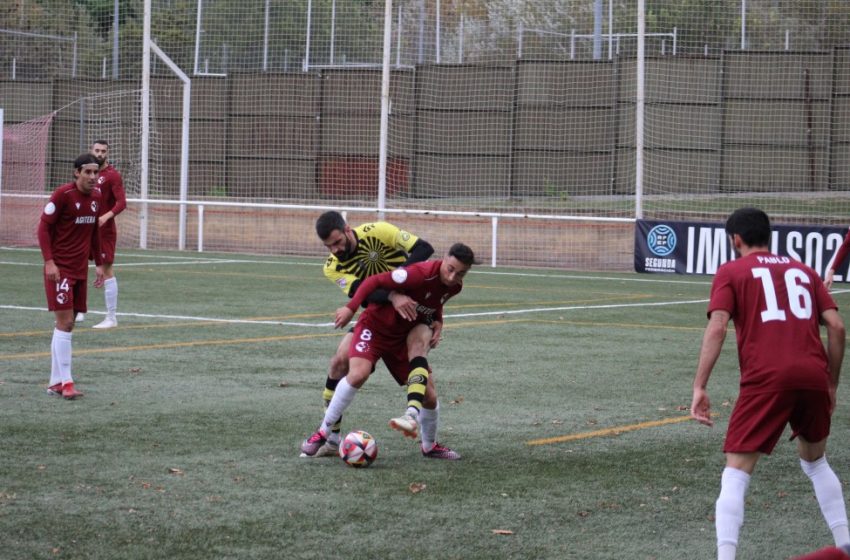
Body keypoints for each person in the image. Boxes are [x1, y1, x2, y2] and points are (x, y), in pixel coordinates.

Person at [690, 208, 849, 560]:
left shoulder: (731, 271)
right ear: (769, 236)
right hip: (812, 377)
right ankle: (845, 546)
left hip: (767, 379)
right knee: (816, 462)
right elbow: (837, 328)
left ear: (736, 240)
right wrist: (832, 384)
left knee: (736, 472)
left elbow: (717, 327)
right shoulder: (804, 271)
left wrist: (700, 385)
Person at [301, 242, 476, 461]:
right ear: (444, 259)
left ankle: (429, 446)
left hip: (401, 338)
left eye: (460, 273)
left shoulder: (454, 286)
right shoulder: (418, 274)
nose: (452, 277)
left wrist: (438, 320)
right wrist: (351, 308)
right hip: (374, 328)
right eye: (450, 269)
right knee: (358, 374)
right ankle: (323, 433)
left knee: (429, 397)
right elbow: (374, 281)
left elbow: (434, 301)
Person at [307, 210, 435, 457]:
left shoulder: (379, 231)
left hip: (410, 315)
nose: (334, 250)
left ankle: (430, 444)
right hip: (376, 317)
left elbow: (424, 248)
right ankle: (332, 439)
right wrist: (392, 294)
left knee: (428, 394)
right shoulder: (332, 266)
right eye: (328, 246)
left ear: (347, 229)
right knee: (338, 363)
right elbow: (363, 296)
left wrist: (397, 281)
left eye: (337, 242)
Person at [37, 153, 105, 400]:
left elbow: (94, 232)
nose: (93, 177)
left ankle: (55, 382)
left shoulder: (97, 198)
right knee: (65, 323)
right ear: (76, 173)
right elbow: (43, 227)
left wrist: (99, 263)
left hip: (80, 271)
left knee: (66, 325)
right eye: (87, 172)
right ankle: (66, 382)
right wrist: (49, 262)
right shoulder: (62, 196)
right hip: (61, 270)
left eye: (96, 172)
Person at [76, 139, 126, 329]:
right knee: (78, 267)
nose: (100, 154)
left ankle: (111, 317)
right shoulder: (87, 174)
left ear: (108, 153)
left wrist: (105, 217)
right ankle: (78, 310)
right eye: (97, 150)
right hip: (85, 229)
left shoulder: (112, 176)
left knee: (106, 270)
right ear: (91, 150)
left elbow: (121, 203)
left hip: (104, 232)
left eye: (103, 151)